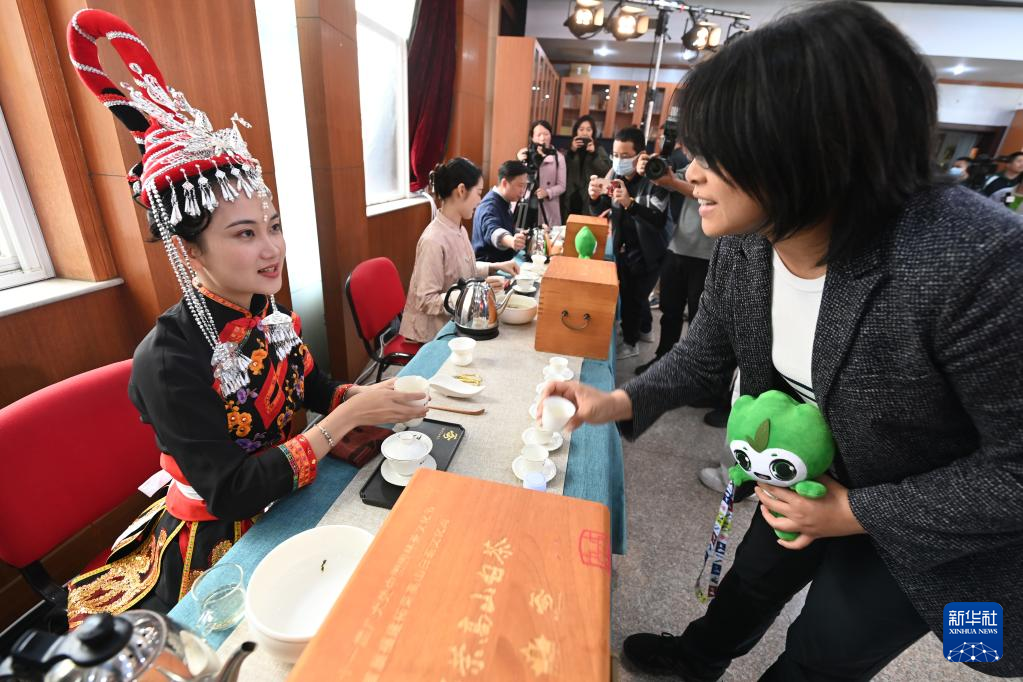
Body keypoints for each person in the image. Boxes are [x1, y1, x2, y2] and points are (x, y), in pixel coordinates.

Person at [541, 1, 1023, 678]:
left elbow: (1014, 470)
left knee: (827, 646)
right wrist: (617, 402)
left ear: (813, 149)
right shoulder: (753, 239)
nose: (692, 172)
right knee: (753, 578)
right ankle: (697, 658)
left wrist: (854, 511)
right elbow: (708, 349)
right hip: (801, 467)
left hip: (926, 521)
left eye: (716, 153)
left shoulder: (975, 260)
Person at [64, 9, 428, 626]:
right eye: (244, 233)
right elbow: (230, 490)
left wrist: (369, 401)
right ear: (189, 251)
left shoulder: (265, 308)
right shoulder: (168, 358)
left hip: (289, 486)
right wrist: (346, 417)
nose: (272, 249)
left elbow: (309, 385)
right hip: (222, 529)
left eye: (273, 226)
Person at [400, 158, 520, 343]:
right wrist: (469, 295)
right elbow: (426, 300)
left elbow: (462, 268)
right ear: (461, 190)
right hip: (432, 335)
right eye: (478, 193)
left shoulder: (459, 229)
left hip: (456, 320)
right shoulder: (433, 240)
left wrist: (496, 266)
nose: (480, 200)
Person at [588, 127, 670, 360]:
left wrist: (630, 204)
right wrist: (593, 197)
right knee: (632, 294)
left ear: (640, 155)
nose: (619, 160)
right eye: (615, 154)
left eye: (625, 155)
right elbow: (602, 209)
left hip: (649, 250)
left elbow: (658, 220)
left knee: (635, 297)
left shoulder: (655, 179)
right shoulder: (615, 175)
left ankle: (631, 342)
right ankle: (644, 330)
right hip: (624, 247)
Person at [472, 160, 529, 262]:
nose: (523, 191)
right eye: (520, 185)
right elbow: (493, 230)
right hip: (490, 267)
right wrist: (511, 241)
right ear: (504, 183)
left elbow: (503, 226)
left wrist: (520, 233)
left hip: (503, 263)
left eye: (525, 186)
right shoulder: (489, 205)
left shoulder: (503, 201)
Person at [516, 119, 566, 227]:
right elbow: (517, 180)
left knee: (545, 234)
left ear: (551, 135)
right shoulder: (525, 154)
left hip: (547, 206)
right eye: (538, 135)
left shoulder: (559, 157)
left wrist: (547, 192)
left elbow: (562, 186)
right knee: (522, 233)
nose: (543, 138)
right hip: (526, 205)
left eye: (546, 134)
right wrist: (520, 161)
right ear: (532, 137)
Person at [562, 115, 611, 217]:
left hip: (588, 195)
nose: (585, 133)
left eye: (588, 130)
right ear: (576, 131)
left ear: (593, 132)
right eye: (581, 129)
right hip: (571, 194)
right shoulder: (569, 148)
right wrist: (571, 151)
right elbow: (561, 170)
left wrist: (594, 154)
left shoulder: (598, 148)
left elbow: (607, 171)